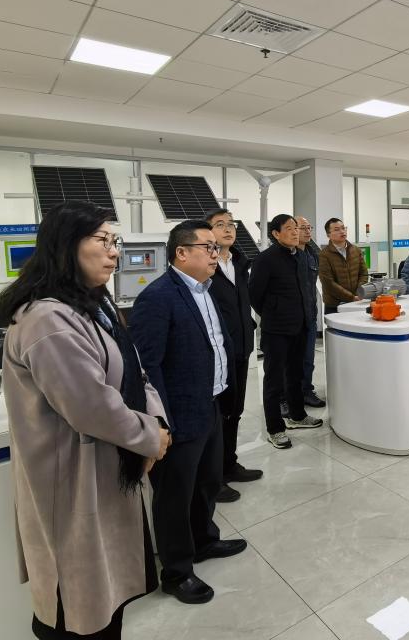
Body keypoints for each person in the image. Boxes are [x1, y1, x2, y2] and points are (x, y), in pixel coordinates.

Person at [0, 201, 170, 639]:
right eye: (103, 240)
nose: (114, 251)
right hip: (70, 481)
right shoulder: (46, 318)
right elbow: (92, 406)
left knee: (106, 601)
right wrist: (150, 437)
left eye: (115, 241)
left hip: (106, 470)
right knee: (76, 607)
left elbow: (134, 372)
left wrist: (157, 423)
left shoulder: (93, 306)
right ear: (66, 245)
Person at [130, 220, 247, 605]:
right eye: (208, 247)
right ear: (181, 253)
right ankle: (177, 571)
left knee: (207, 482)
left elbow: (215, 342)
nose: (216, 254)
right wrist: (161, 421)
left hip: (210, 403)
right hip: (178, 414)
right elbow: (148, 367)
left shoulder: (205, 290)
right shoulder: (158, 297)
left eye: (216, 248)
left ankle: (204, 541)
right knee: (174, 496)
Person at [248, 214, 324, 450]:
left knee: (296, 375)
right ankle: (275, 429)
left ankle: (297, 416)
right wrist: (274, 312)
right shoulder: (265, 259)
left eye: (296, 228)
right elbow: (255, 295)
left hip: (300, 326)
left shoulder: (300, 256)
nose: (295, 232)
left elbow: (305, 290)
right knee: (274, 380)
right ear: (276, 234)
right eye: (289, 228)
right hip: (277, 329)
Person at [204, 209, 263, 503]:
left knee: (235, 410)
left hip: (241, 347)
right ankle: (213, 478)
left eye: (231, 224)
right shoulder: (205, 266)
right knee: (217, 415)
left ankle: (229, 464)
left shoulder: (239, 263)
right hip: (215, 352)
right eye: (220, 225)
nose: (228, 229)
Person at [294, 215, 325, 409]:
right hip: (291, 319)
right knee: (289, 361)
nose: (307, 231)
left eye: (309, 228)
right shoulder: (286, 255)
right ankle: (285, 397)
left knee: (308, 359)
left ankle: (306, 391)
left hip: (309, 316)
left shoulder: (312, 254)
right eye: (302, 227)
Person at [318, 217, 368, 313]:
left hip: (357, 302)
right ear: (328, 235)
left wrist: (359, 292)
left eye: (343, 228)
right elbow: (328, 283)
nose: (342, 231)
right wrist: (351, 297)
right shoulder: (324, 255)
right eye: (337, 229)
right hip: (335, 305)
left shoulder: (356, 250)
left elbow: (364, 274)